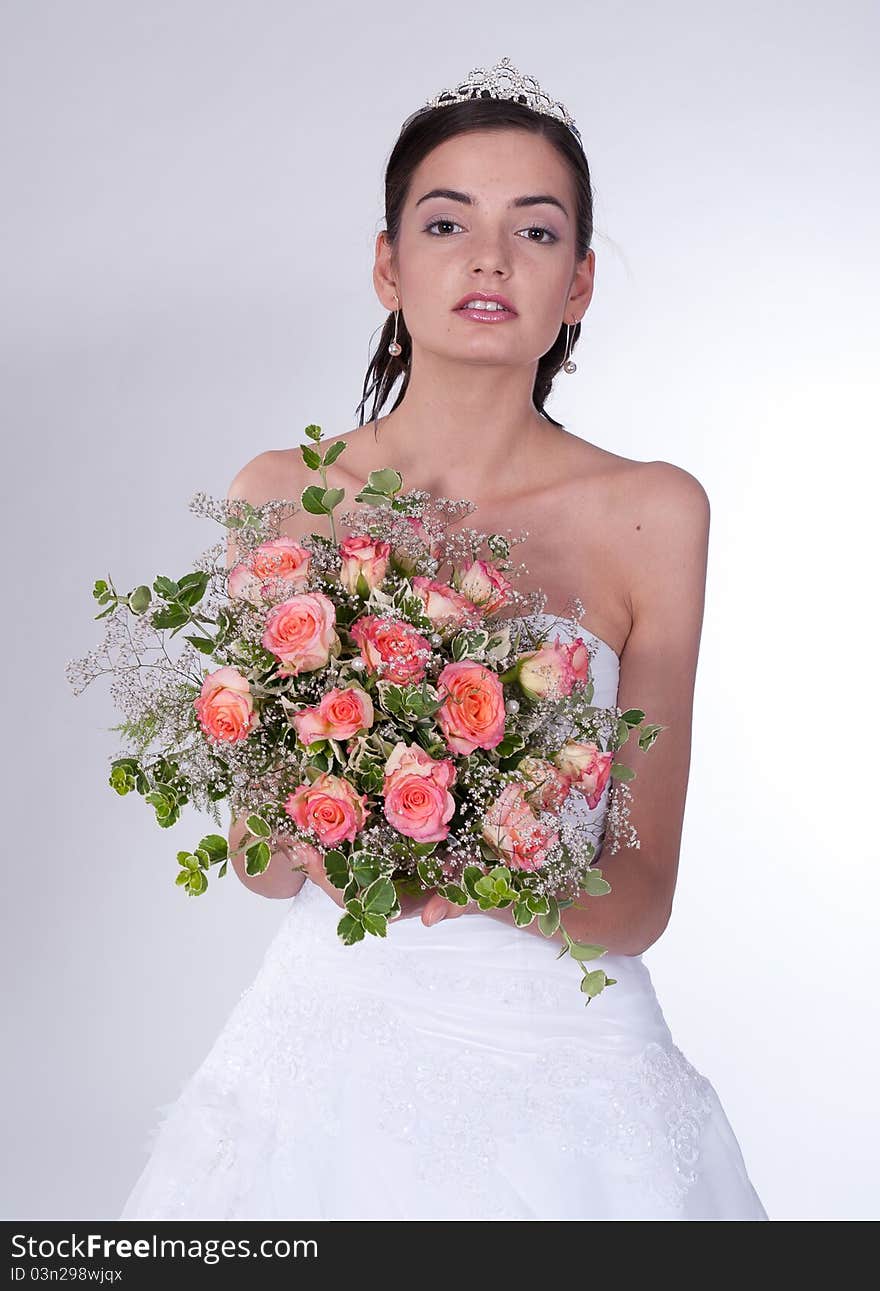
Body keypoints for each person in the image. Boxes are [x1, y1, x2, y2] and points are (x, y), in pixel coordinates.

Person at [119, 57, 768, 1221]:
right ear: (388, 264)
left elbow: (639, 895)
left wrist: (481, 860)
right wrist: (341, 815)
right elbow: (260, 864)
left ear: (575, 284)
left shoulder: (654, 511)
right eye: (445, 220)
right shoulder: (283, 497)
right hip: (329, 1043)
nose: (488, 257)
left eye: (533, 230)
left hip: (572, 1066)